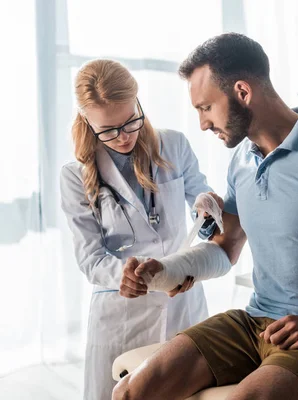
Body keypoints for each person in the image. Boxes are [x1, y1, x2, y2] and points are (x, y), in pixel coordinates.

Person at [113, 33, 298, 400]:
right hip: (255, 320)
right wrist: (164, 270)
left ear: (242, 92)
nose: (202, 124)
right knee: (131, 392)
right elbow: (226, 247)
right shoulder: (241, 160)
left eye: (205, 108)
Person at [60, 59, 223, 400]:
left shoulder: (174, 145)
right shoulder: (75, 177)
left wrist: (207, 210)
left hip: (183, 303)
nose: (123, 137)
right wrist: (124, 275)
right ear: (87, 122)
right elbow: (90, 257)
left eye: (130, 121)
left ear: (139, 105)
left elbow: (205, 212)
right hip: (123, 313)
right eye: (108, 130)